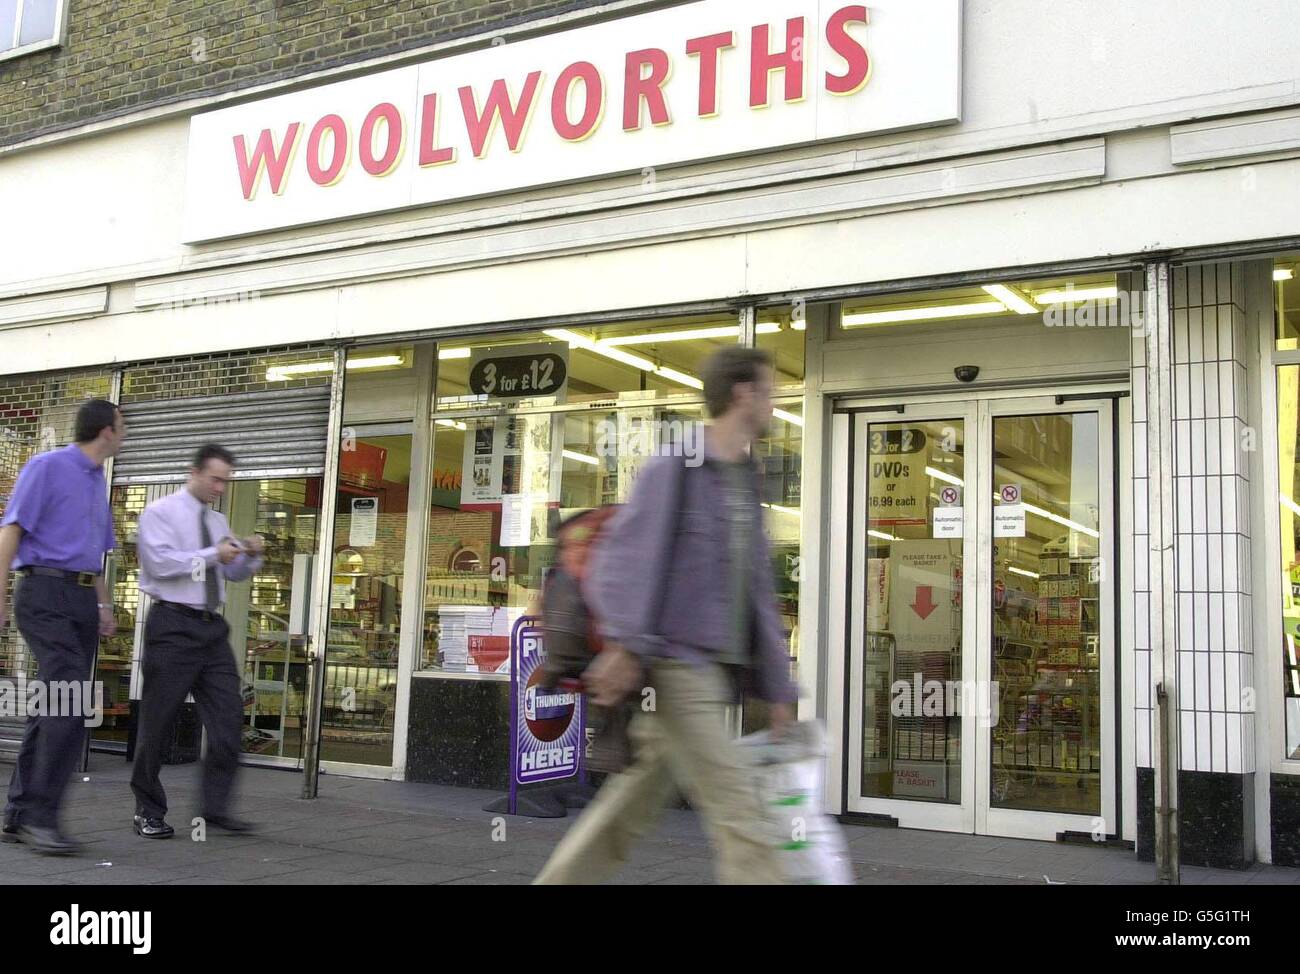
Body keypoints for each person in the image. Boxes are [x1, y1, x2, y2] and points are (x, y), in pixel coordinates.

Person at [534, 346, 799, 885]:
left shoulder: (744, 480)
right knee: (741, 811)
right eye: (769, 391)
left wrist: (778, 689)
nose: (773, 403)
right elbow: (625, 562)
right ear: (743, 394)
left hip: (706, 674)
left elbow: (757, 597)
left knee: (628, 806)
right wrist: (627, 646)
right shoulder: (677, 466)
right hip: (678, 669)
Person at [0, 399, 125, 855]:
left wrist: (105, 607)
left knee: (52, 705)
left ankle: (17, 815)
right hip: (43, 593)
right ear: (106, 431)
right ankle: (40, 818)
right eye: (122, 424)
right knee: (70, 704)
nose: (124, 432)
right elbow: (10, 532)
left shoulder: (97, 483)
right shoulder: (47, 466)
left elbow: (95, 558)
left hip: (80, 599)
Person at [129, 444, 263, 839]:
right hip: (172, 623)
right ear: (195, 472)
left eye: (226, 481)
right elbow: (160, 565)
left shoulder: (219, 521)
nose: (221, 487)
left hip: (210, 628)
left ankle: (215, 809)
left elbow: (233, 574)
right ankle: (147, 810)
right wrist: (212, 553)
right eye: (216, 478)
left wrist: (251, 556)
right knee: (157, 722)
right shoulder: (160, 513)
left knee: (228, 716)